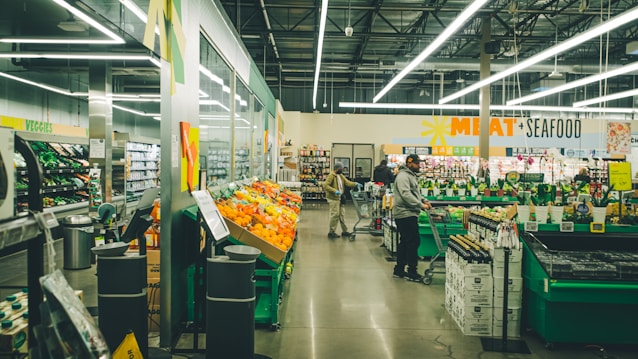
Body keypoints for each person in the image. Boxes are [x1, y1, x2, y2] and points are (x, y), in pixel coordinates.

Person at [392, 154, 431, 282]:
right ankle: (412, 271)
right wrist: (421, 205)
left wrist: (424, 200)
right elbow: (406, 194)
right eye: (417, 163)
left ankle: (399, 269)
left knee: (405, 242)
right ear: (410, 163)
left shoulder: (411, 176)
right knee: (413, 242)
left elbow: (414, 193)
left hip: (409, 213)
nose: (419, 165)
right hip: (405, 213)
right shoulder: (403, 176)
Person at [323, 162, 361, 238]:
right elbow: (326, 185)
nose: (342, 170)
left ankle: (345, 231)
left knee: (342, 215)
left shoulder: (341, 176)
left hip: (340, 198)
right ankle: (331, 232)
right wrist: (335, 191)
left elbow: (347, 183)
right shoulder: (331, 176)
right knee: (335, 215)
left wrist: (355, 184)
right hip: (333, 198)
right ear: (337, 169)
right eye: (341, 169)